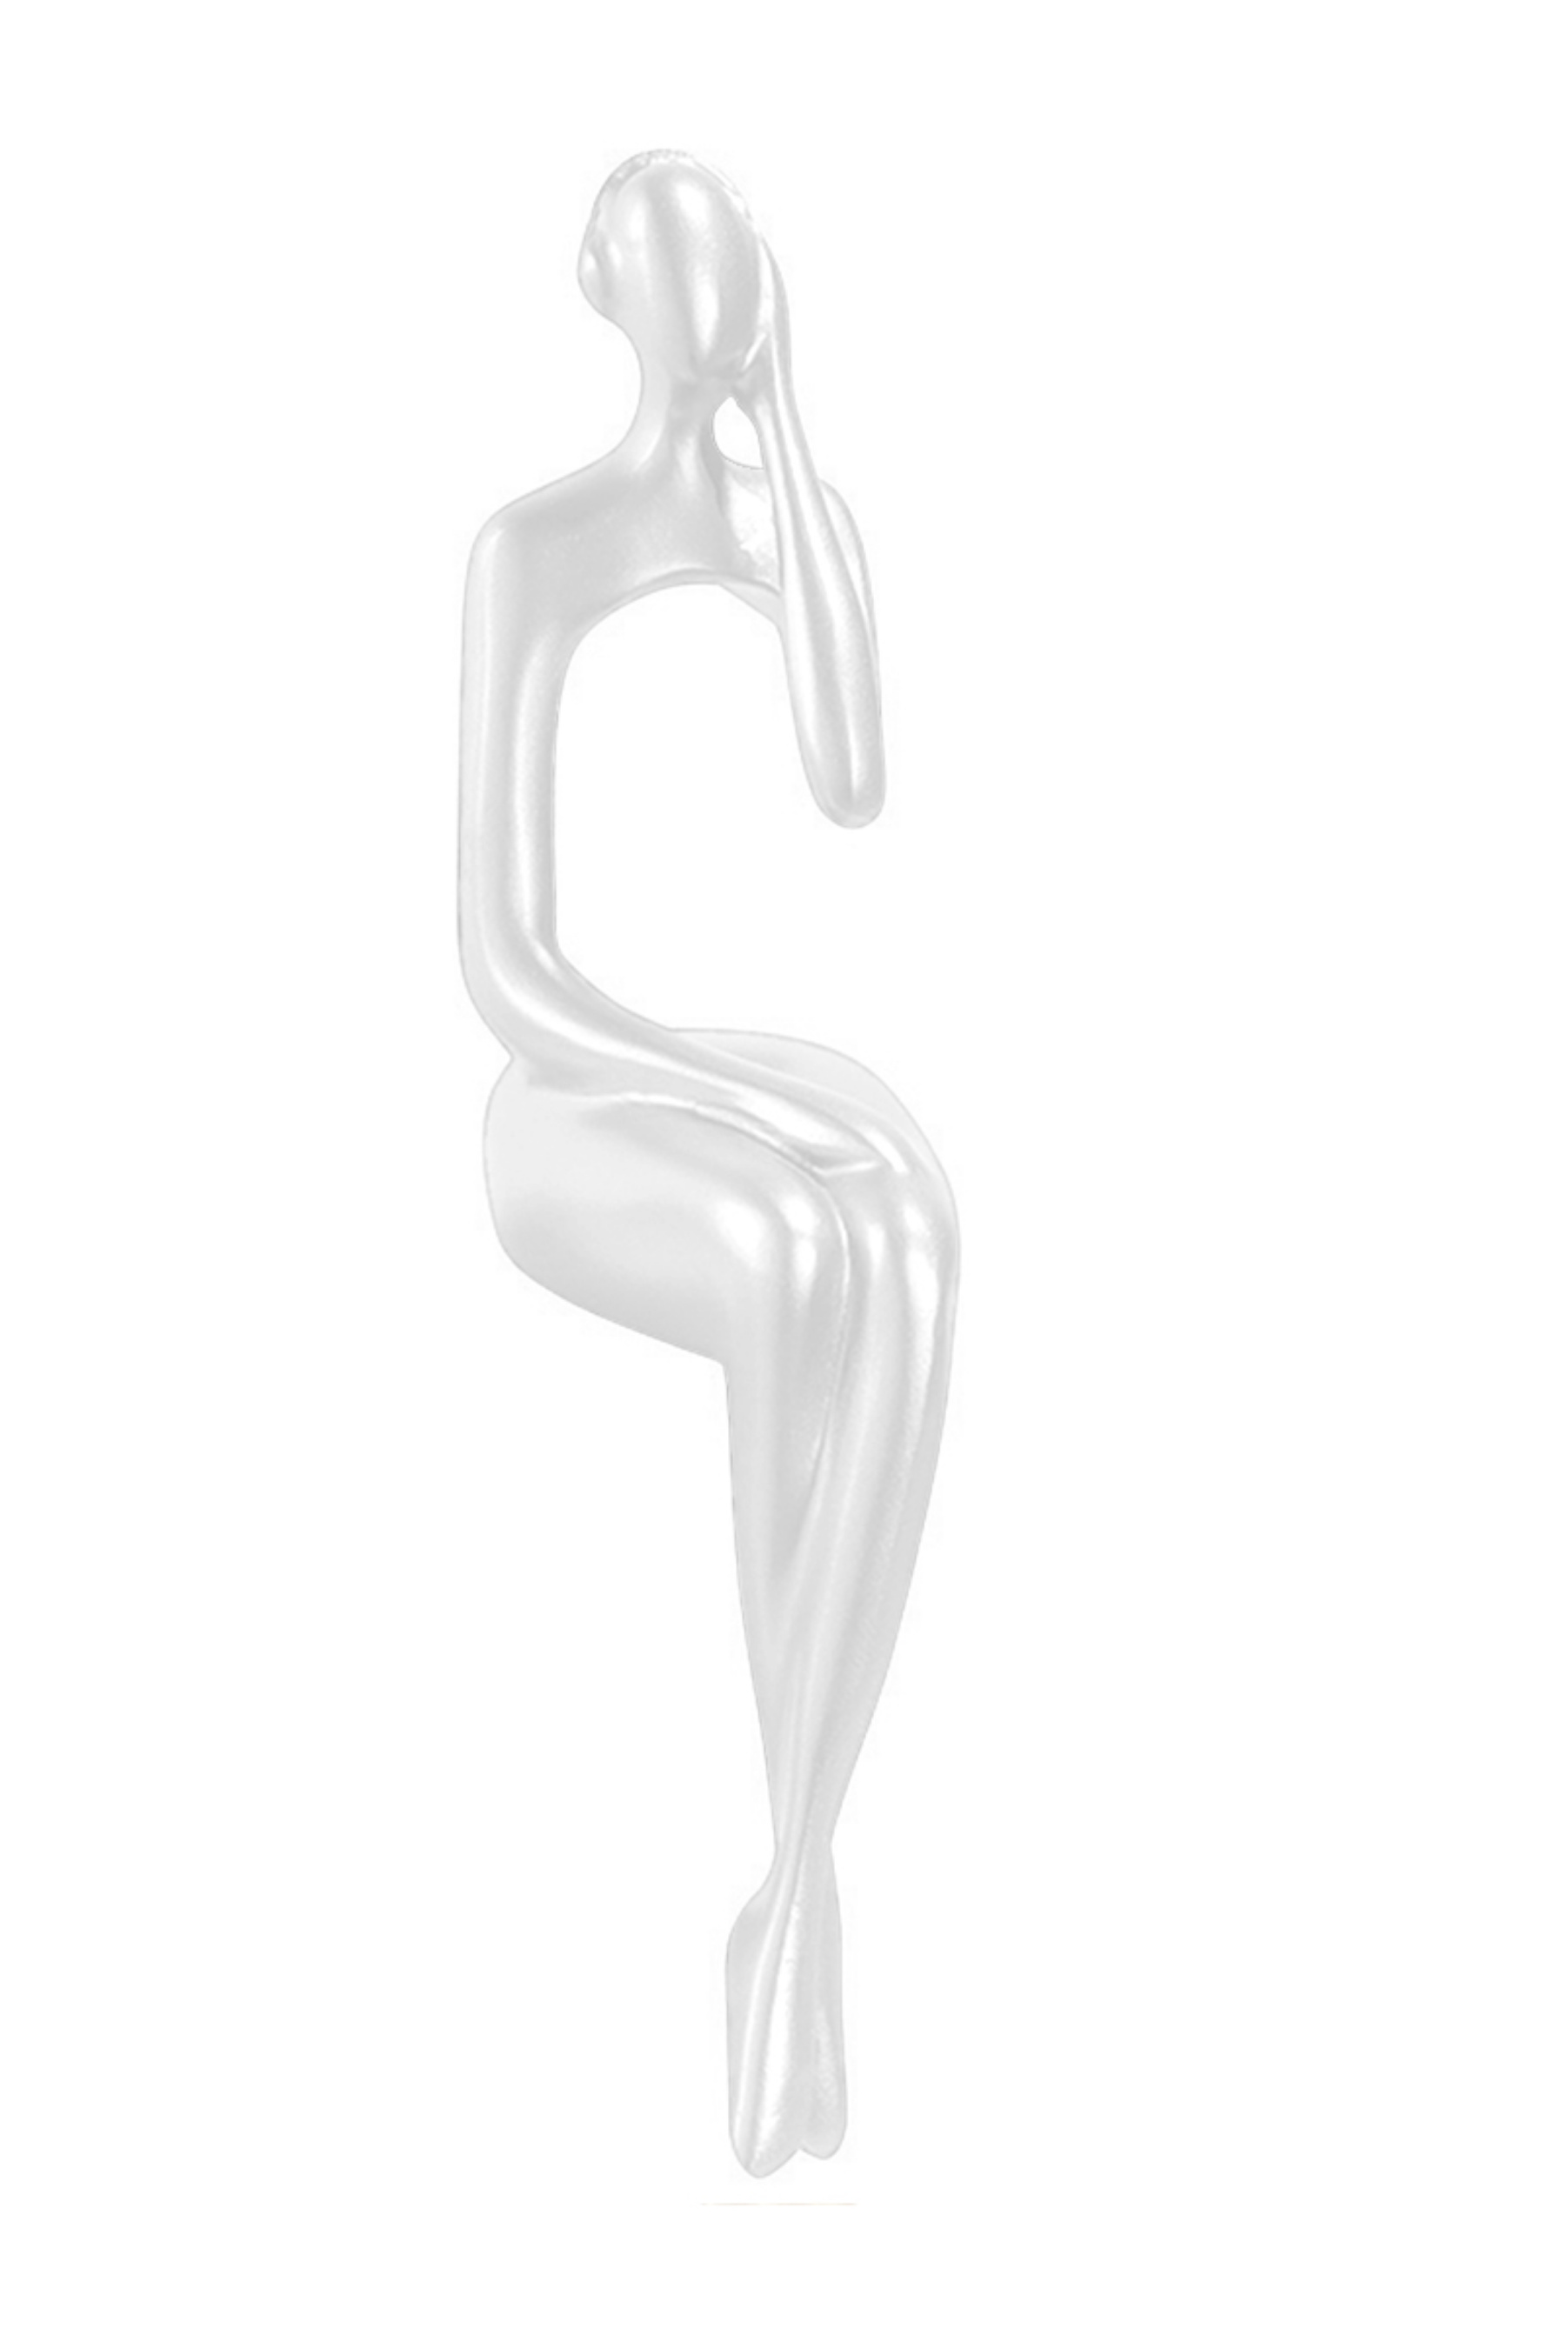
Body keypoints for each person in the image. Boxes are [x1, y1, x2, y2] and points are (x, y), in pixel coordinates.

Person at [458, 151, 958, 2178]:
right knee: (782, 1250)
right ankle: (795, 1882)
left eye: (728, 257)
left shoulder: (786, 523)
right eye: (674, 257)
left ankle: (789, 1893)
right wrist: (738, 1102)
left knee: (910, 1231)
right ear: (615, 292)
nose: (711, 293)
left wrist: (802, 452)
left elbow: (851, 781)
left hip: (722, 1058)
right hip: (561, 1095)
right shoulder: (534, 545)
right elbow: (500, 967)